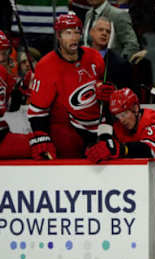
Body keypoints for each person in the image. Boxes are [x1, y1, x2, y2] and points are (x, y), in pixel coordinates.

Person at [27, 14, 114, 159]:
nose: (73, 38)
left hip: (97, 124)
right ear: (59, 37)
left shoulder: (94, 57)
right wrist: (41, 137)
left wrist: (106, 92)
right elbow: (37, 112)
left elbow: (106, 95)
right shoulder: (46, 65)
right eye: (68, 33)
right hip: (68, 128)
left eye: (76, 32)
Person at [85, 87, 155, 162]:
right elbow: (107, 144)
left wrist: (122, 149)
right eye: (118, 116)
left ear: (135, 108)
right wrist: (96, 147)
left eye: (124, 114)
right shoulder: (119, 126)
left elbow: (151, 151)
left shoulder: (151, 119)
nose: (122, 120)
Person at [0, 33, 31, 159]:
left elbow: (12, 106)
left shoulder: (4, 74)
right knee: (37, 145)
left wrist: (24, 89)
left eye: (4, 53)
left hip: (4, 133)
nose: (2, 58)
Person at [89, 16, 134, 91]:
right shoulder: (79, 57)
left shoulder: (121, 64)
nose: (104, 33)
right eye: (100, 30)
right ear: (91, 32)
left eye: (108, 32)